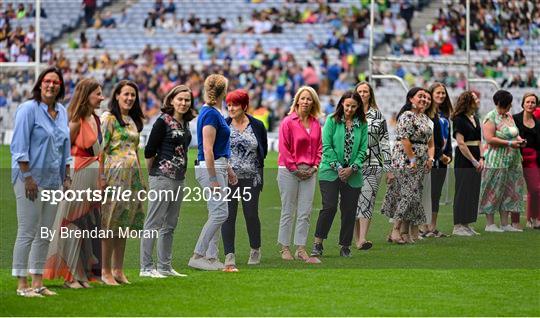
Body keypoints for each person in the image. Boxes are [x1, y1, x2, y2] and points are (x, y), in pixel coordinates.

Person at [11, 67, 71, 297]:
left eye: (56, 82)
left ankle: (38, 282)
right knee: (27, 231)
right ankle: (21, 284)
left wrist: (66, 177)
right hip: (30, 180)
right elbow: (19, 147)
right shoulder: (28, 109)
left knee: (45, 233)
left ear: (60, 87)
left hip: (53, 181)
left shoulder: (62, 111)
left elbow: (65, 148)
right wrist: (27, 177)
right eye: (47, 81)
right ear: (40, 84)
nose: (51, 85)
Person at [44, 78, 104, 288]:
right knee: (70, 225)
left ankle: (80, 273)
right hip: (77, 177)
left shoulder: (94, 119)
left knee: (83, 226)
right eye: (97, 93)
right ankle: (71, 275)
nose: (101, 97)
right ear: (86, 95)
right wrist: (65, 178)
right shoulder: (76, 120)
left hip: (91, 178)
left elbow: (99, 153)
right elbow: (62, 151)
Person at [140, 85, 194, 278]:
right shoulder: (162, 121)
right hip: (162, 177)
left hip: (179, 179)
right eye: (180, 99)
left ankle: (165, 266)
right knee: (153, 223)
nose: (183, 103)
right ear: (171, 100)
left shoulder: (185, 124)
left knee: (170, 225)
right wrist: (153, 175)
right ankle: (146, 267)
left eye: (187, 100)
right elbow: (149, 151)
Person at [310, 91, 367, 258]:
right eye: (347, 105)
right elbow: (326, 147)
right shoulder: (331, 120)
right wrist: (339, 168)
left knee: (349, 211)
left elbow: (363, 149)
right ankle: (318, 243)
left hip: (353, 174)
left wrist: (353, 168)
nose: (349, 109)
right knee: (329, 207)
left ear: (358, 107)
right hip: (330, 171)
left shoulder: (362, 124)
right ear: (342, 103)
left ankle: (345, 246)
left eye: (353, 106)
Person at [100, 80, 145, 285]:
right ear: (117, 95)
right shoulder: (108, 119)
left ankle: (118, 269)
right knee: (110, 222)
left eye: (132, 95)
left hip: (132, 178)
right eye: (125, 94)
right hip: (114, 176)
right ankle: (105, 270)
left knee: (124, 223)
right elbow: (100, 149)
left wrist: (141, 180)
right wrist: (100, 177)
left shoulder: (133, 120)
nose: (129, 98)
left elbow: (135, 151)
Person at [189, 74, 235, 271]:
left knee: (216, 212)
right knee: (220, 212)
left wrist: (229, 169)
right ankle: (197, 255)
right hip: (211, 167)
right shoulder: (210, 114)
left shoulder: (214, 111)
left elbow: (218, 147)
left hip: (219, 165)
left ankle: (211, 256)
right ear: (222, 90)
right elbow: (207, 149)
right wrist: (214, 178)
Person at [221, 89, 268, 272]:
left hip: (251, 178)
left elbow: (261, 149)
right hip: (229, 178)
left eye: (235, 104)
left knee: (251, 214)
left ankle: (255, 249)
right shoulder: (224, 125)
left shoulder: (256, 125)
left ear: (245, 106)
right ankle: (229, 254)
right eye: (229, 104)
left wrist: (260, 174)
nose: (231, 108)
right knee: (228, 215)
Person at [381, 87, 435, 244]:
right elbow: (405, 139)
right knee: (406, 194)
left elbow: (431, 143)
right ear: (411, 99)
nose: (424, 100)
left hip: (420, 159)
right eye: (421, 96)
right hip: (405, 158)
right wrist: (412, 159)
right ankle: (395, 230)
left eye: (426, 97)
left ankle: (404, 232)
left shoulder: (425, 119)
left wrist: (430, 158)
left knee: (413, 194)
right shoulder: (406, 116)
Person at [277, 86, 322, 262]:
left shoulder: (316, 123)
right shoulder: (288, 122)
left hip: (309, 172)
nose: (305, 101)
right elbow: (284, 148)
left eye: (309, 99)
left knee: (305, 211)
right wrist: (295, 169)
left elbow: (319, 148)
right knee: (288, 210)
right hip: (289, 171)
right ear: (297, 101)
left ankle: (301, 248)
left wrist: (314, 167)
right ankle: (285, 248)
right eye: (302, 98)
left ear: (313, 103)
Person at [479, 90, 526, 232]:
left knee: (510, 190)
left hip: (513, 159)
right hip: (496, 159)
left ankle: (505, 224)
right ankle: (490, 224)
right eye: (507, 104)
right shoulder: (490, 117)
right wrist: (509, 143)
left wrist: (520, 141)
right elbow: (489, 139)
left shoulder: (509, 116)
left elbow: (514, 133)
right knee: (494, 190)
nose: (509, 106)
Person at [353, 81, 391, 250]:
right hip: (352, 166)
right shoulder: (349, 112)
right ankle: (355, 239)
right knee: (352, 203)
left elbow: (384, 142)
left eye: (365, 91)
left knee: (367, 201)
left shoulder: (377, 116)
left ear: (370, 94)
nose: (362, 94)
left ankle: (362, 239)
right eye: (359, 91)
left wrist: (388, 168)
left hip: (373, 164)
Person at [451, 91, 484, 236]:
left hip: (477, 155)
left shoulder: (476, 118)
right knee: (463, 190)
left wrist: (482, 158)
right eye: (475, 99)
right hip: (465, 159)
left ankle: (467, 223)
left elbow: (479, 141)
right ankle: (458, 225)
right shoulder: (458, 119)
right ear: (468, 102)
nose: (478, 101)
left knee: (473, 191)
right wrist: (474, 161)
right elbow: (461, 143)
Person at [424, 82, 453, 237]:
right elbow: (430, 138)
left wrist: (448, 155)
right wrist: (438, 154)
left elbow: (447, 136)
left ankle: (432, 227)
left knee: (436, 193)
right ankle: (423, 226)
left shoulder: (445, 114)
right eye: (438, 93)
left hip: (443, 159)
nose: (441, 96)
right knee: (426, 192)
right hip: (431, 158)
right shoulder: (426, 113)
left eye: (443, 93)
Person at [512, 93, 540, 229]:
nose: (530, 104)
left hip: (533, 159)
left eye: (533, 102)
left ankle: (533, 218)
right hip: (517, 157)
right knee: (516, 190)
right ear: (523, 103)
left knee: (535, 189)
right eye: (528, 102)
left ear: (536, 105)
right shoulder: (515, 119)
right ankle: (515, 222)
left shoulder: (538, 122)